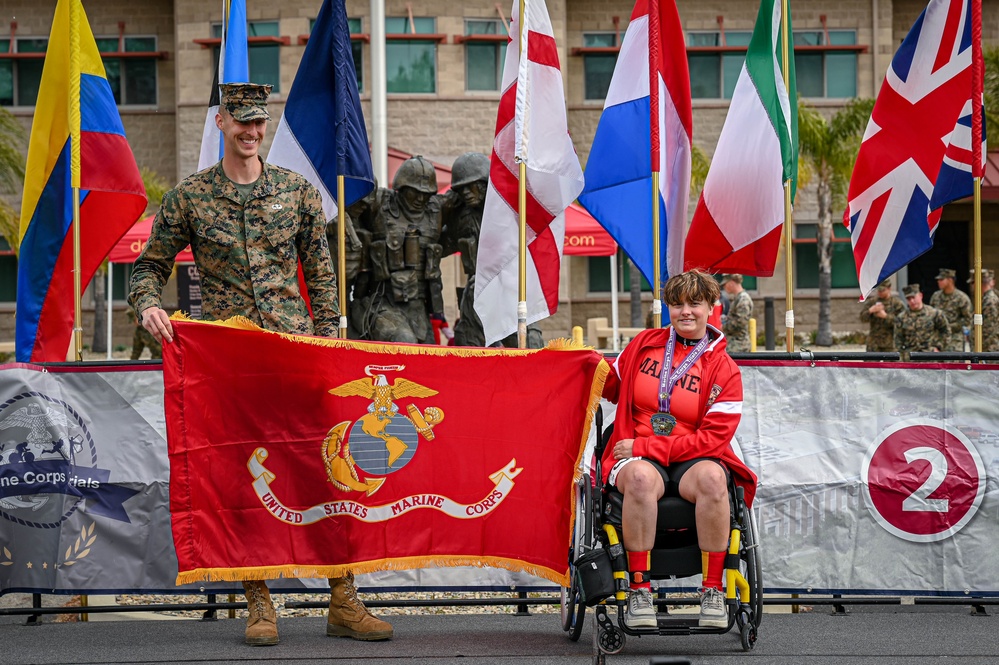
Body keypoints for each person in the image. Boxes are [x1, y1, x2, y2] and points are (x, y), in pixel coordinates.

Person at [127, 83, 392, 646]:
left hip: (295, 358)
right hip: (230, 365)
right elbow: (145, 267)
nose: (251, 132)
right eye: (241, 123)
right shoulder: (190, 199)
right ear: (220, 122)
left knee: (322, 470)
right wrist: (149, 304)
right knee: (243, 476)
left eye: (258, 124)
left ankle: (343, 597)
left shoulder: (297, 194)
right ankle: (259, 602)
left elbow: (322, 278)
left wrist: (328, 345)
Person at [600, 269, 757, 630]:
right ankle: (640, 591)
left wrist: (648, 444)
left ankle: (713, 591)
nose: (686, 311)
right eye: (677, 304)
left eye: (695, 303)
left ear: (711, 307)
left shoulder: (724, 368)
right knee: (639, 478)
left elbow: (714, 440)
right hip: (637, 458)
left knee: (716, 480)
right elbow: (608, 384)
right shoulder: (643, 345)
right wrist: (571, 364)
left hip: (689, 457)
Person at [349, 155, 449, 344]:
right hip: (380, 302)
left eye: (426, 194)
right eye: (414, 192)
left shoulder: (436, 208)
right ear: (401, 187)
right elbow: (353, 197)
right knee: (404, 340)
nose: (420, 198)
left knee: (428, 352)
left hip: (418, 308)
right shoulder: (381, 202)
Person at [895, 284, 949, 355]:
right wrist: (901, 356)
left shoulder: (934, 313)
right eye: (909, 299)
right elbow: (898, 339)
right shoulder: (902, 317)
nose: (912, 301)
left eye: (913, 297)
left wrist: (939, 347)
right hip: (910, 357)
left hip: (930, 356)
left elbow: (946, 331)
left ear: (920, 295)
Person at [929, 268, 972, 351]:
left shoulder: (961, 298)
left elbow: (968, 319)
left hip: (955, 340)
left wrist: (949, 326)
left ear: (950, 280)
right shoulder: (936, 297)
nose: (938, 282)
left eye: (941, 279)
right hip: (938, 341)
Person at [859, 279, 905, 352]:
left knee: (890, 363)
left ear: (889, 289)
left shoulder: (897, 303)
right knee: (871, 363)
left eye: (882, 290)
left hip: (891, 342)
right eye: (878, 290)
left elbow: (902, 323)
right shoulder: (872, 302)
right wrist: (870, 311)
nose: (880, 293)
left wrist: (886, 316)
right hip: (874, 341)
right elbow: (862, 318)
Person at [969, 268, 999, 352]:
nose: (972, 286)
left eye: (972, 283)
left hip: (989, 350)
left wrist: (979, 349)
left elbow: (989, 330)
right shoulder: (984, 299)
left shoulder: (990, 301)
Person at [721, 274, 753, 353]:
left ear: (731, 283)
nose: (724, 287)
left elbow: (741, 322)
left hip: (739, 346)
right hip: (735, 345)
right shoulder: (738, 298)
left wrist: (722, 327)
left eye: (725, 284)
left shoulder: (743, 299)